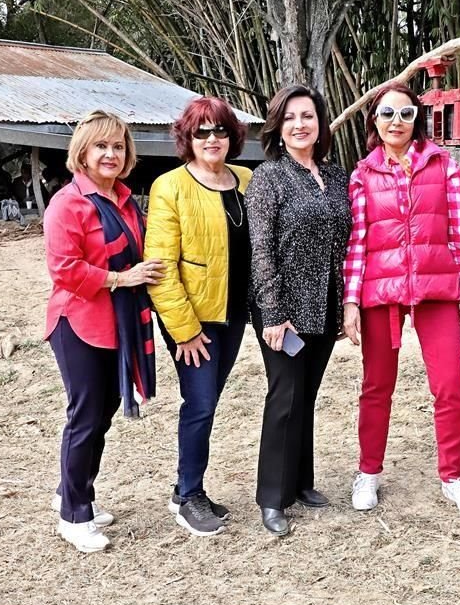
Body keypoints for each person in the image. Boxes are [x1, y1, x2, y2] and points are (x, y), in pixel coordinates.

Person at [343, 81, 460, 515]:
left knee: (449, 385)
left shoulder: (444, 166)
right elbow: (357, 243)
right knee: (377, 386)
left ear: (417, 119)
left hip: (437, 290)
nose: (396, 122)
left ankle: (453, 475)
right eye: (387, 114)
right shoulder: (363, 174)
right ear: (374, 120)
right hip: (381, 293)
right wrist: (351, 301)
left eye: (405, 114)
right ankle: (368, 472)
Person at [44, 111, 165, 553]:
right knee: (86, 415)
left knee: (104, 411)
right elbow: (64, 270)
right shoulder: (68, 203)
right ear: (83, 152)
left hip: (118, 324)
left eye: (118, 146)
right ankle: (73, 515)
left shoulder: (127, 201)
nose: (110, 154)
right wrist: (122, 279)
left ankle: (75, 493)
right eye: (101, 146)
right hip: (78, 322)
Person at [246, 85, 351, 536]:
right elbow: (262, 250)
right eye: (290, 118)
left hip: (325, 304)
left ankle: (301, 482)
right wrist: (272, 313)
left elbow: (348, 242)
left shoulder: (337, 175)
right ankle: (273, 496)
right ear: (278, 126)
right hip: (284, 309)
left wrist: (347, 302)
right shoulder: (269, 177)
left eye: (308, 116)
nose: (300, 125)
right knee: (284, 397)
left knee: (307, 394)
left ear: (320, 123)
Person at [144, 97, 252, 538]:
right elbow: (161, 268)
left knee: (209, 402)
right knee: (201, 403)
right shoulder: (170, 186)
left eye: (220, 130)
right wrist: (184, 331)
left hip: (235, 314)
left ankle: (184, 487)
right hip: (196, 319)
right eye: (202, 131)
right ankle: (189, 495)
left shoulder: (247, 179)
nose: (212, 139)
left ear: (232, 137)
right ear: (187, 138)